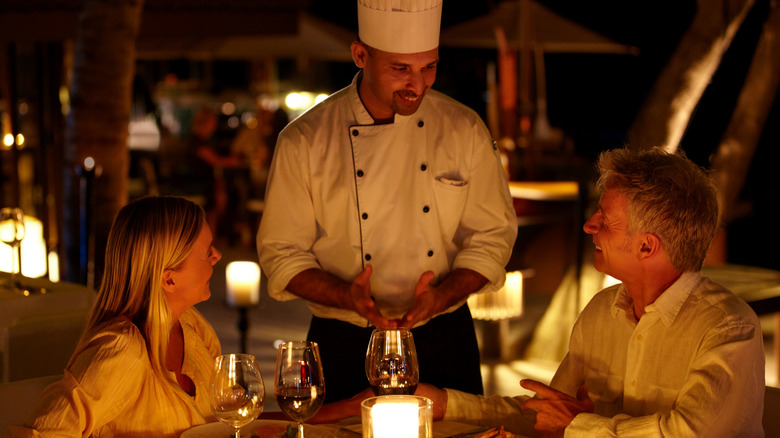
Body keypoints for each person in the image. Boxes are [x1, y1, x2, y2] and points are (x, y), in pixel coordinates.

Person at [312, 147, 766, 437]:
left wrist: (578, 425)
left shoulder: (727, 328)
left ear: (648, 246)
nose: (589, 226)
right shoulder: (603, 311)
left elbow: (690, 432)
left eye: (604, 219)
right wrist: (447, 403)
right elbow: (545, 416)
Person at [257, 0, 517, 402]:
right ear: (361, 55)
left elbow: (493, 236)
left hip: (444, 338)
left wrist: (443, 297)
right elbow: (281, 254)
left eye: (428, 67)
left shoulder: (464, 128)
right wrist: (348, 297)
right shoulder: (304, 140)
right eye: (401, 68)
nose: (418, 84)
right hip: (343, 342)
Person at [8, 196, 224, 437]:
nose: (218, 256)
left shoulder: (193, 326)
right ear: (169, 279)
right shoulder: (122, 348)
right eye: (207, 252)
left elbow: (227, 411)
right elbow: (46, 432)